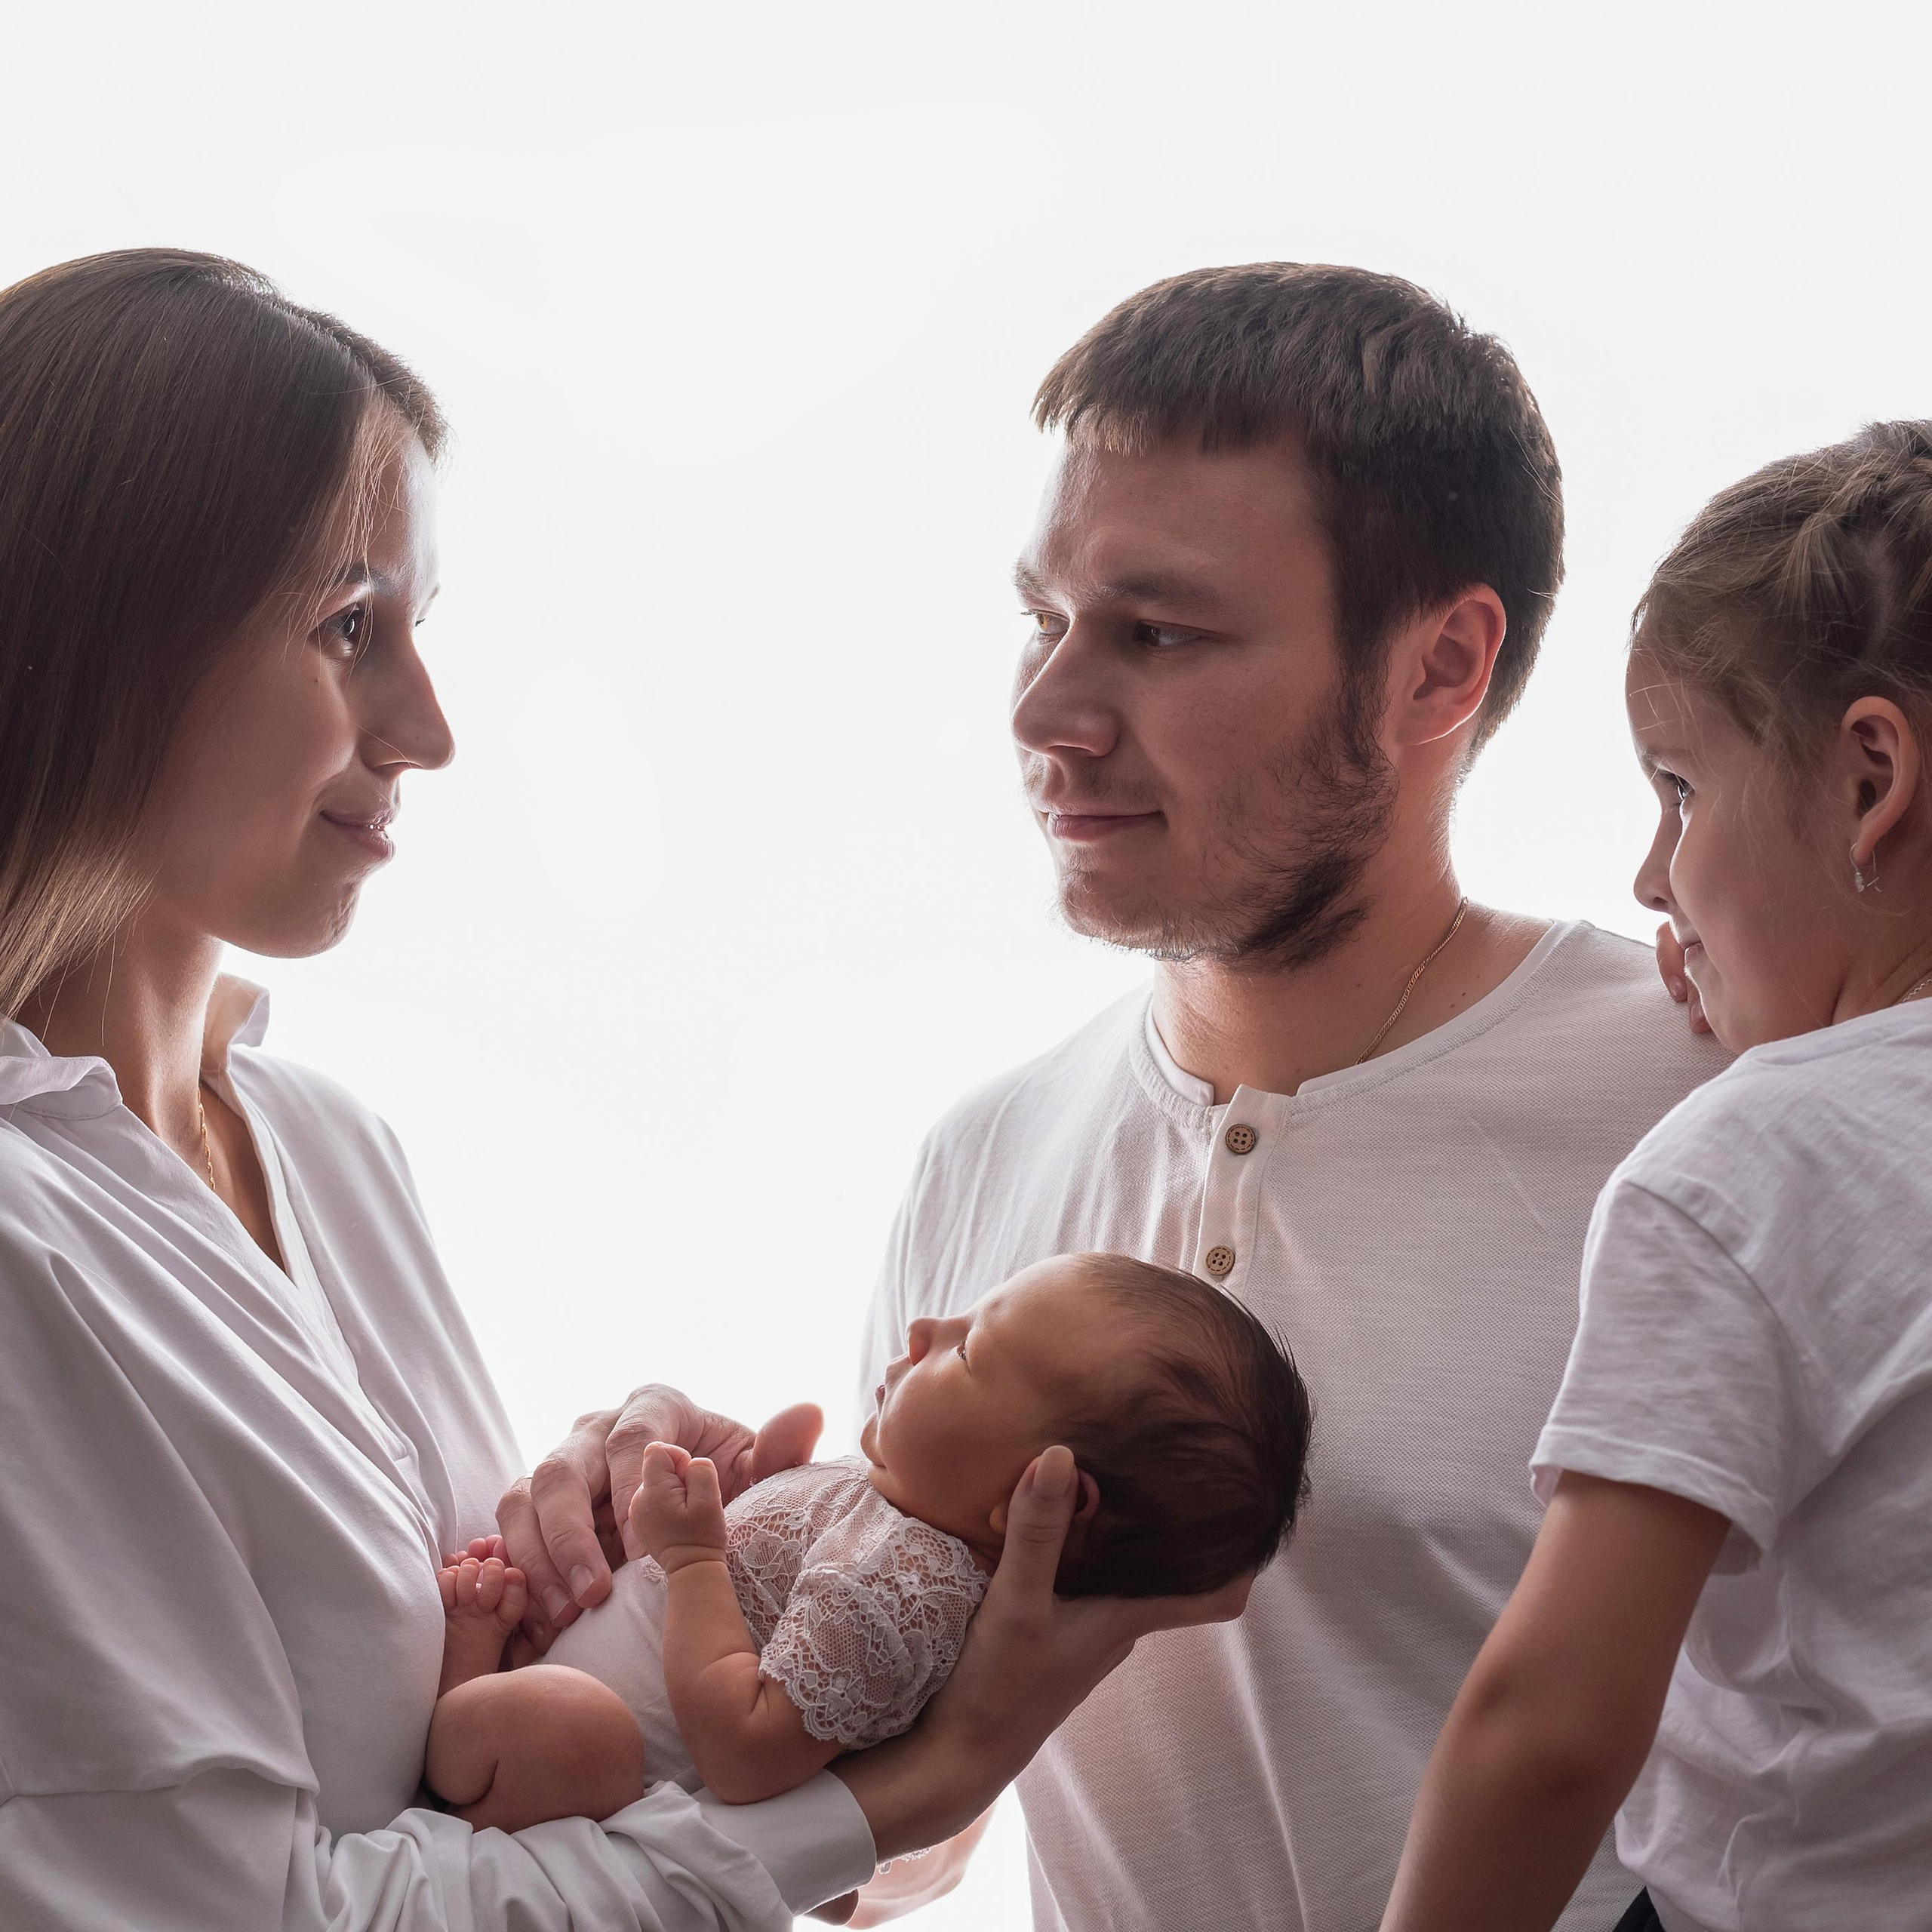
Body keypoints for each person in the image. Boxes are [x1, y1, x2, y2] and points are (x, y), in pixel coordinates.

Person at [0, 248, 1233, 1932]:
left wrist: (598, 1551)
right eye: (346, 627)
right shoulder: (23, 1237)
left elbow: (431, 1779)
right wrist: (892, 1792)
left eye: (415, 632)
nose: (426, 726)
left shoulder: (325, 1149)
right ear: (98, 636)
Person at [832, 263, 1734, 1930]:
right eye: (1043, 620)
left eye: (1155, 633)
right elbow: (902, 1846)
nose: (1046, 712)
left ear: (1434, 670)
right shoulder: (982, 1156)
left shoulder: (1708, 1112)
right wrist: (658, 1604)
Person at [1381, 421, 1932, 1932]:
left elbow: (1547, 1728)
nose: (1648, 878)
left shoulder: (1745, 1160)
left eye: (1679, 788)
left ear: (1870, 775)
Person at [428, 1254, 1311, 1826]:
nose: (926, 1330)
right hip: (573, 1722)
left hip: (565, 1788)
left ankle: (465, 1698)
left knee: (572, 1725)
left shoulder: (902, 1582)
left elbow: (744, 1750)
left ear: (1033, 1492)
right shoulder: (885, 1506)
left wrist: (695, 1558)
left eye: (967, 1354)